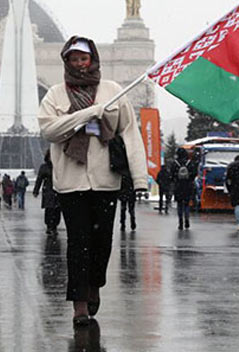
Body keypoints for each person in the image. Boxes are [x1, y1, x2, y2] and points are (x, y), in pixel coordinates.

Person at [38, 36, 148, 327]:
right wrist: (86, 114)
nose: (79, 64)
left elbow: (130, 133)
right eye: (73, 59)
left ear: (92, 60)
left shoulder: (112, 91)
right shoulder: (55, 95)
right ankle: (79, 304)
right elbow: (50, 130)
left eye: (83, 59)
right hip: (71, 182)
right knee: (78, 242)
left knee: (102, 242)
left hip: (105, 181)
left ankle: (93, 285)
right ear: (67, 62)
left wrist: (140, 178)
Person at [33, 150, 61, 234]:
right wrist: (36, 190)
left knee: (57, 210)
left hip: (57, 190)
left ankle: (55, 226)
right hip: (48, 190)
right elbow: (39, 179)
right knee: (49, 209)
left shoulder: (59, 166)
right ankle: (49, 226)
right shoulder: (44, 167)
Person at [171, 148, 198, 230]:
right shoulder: (190, 163)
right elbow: (194, 174)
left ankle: (180, 222)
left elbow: (172, 175)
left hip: (178, 186)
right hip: (188, 186)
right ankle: (187, 219)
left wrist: (176, 180)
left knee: (179, 205)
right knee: (186, 204)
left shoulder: (175, 163)